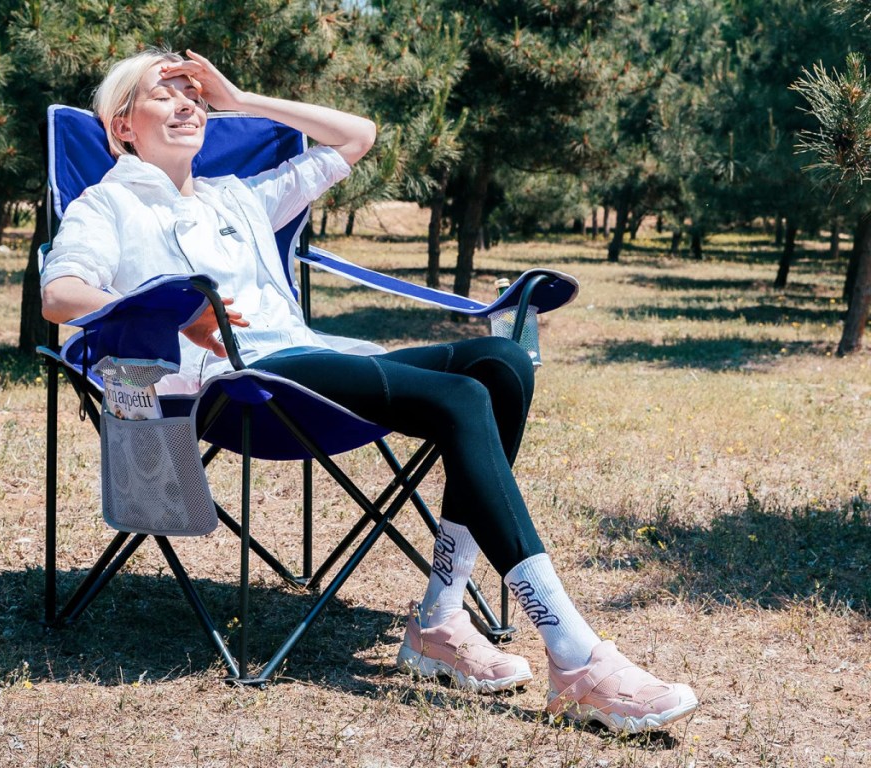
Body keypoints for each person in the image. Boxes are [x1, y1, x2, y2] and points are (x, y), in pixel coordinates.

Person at [40, 47, 698, 734]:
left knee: (500, 364)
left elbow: (357, 136)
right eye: (164, 92)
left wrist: (242, 100)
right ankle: (576, 655)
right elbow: (61, 295)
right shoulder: (106, 204)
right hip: (234, 390)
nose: (188, 103)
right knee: (460, 400)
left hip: (306, 363)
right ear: (121, 126)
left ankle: (440, 622)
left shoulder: (237, 197)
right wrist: (170, 310)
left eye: (193, 93)